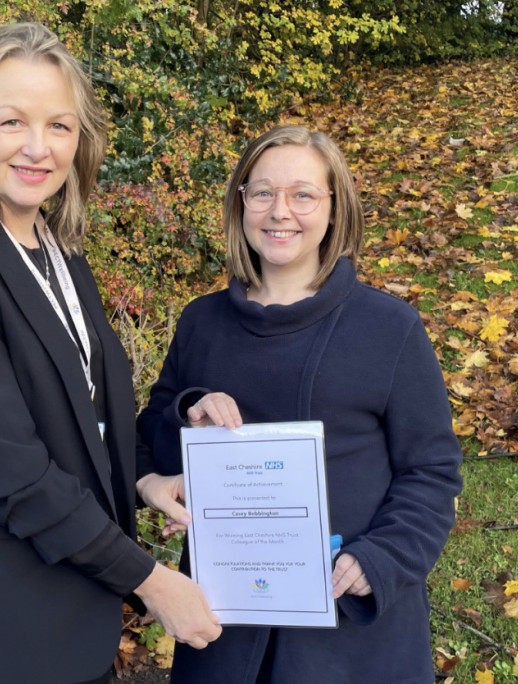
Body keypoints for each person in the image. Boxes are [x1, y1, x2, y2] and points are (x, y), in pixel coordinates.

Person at [0, 23, 220, 684]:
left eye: (60, 126)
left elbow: (77, 417)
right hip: (3, 625)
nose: (38, 148)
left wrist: (141, 478)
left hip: (74, 606)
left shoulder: (58, 247)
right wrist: (151, 580)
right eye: (13, 121)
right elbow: (7, 473)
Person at [136, 125, 464, 683]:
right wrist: (189, 412)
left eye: (303, 194)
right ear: (240, 204)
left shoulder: (388, 328)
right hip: (226, 621)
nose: (279, 211)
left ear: (335, 208)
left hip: (348, 632)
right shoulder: (202, 322)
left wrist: (382, 559)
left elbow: (431, 470)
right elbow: (151, 441)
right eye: (261, 192)